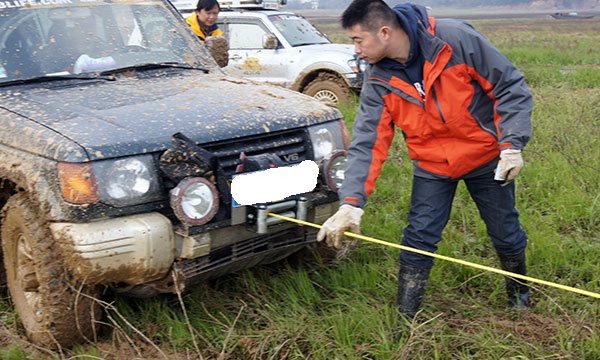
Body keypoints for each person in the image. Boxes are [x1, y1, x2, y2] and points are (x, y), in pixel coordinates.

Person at [317, 0, 533, 322]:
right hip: (433, 166)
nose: (356, 49)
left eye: (358, 40)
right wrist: (350, 203)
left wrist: (512, 144)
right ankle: (406, 318)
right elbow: (367, 143)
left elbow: (509, 86)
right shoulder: (377, 79)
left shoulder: (454, 40)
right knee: (418, 237)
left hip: (487, 157)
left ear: (385, 32)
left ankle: (520, 299)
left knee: (505, 230)